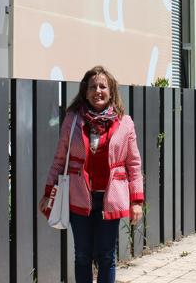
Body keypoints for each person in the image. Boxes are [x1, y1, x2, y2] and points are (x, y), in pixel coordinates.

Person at [39, 65, 144, 283]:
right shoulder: (73, 119)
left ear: (111, 91)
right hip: (79, 199)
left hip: (111, 199)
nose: (98, 90)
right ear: (85, 92)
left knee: (107, 256)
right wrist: (49, 192)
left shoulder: (125, 123)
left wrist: (137, 201)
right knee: (82, 256)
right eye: (93, 86)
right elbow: (60, 159)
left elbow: (133, 164)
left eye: (103, 86)